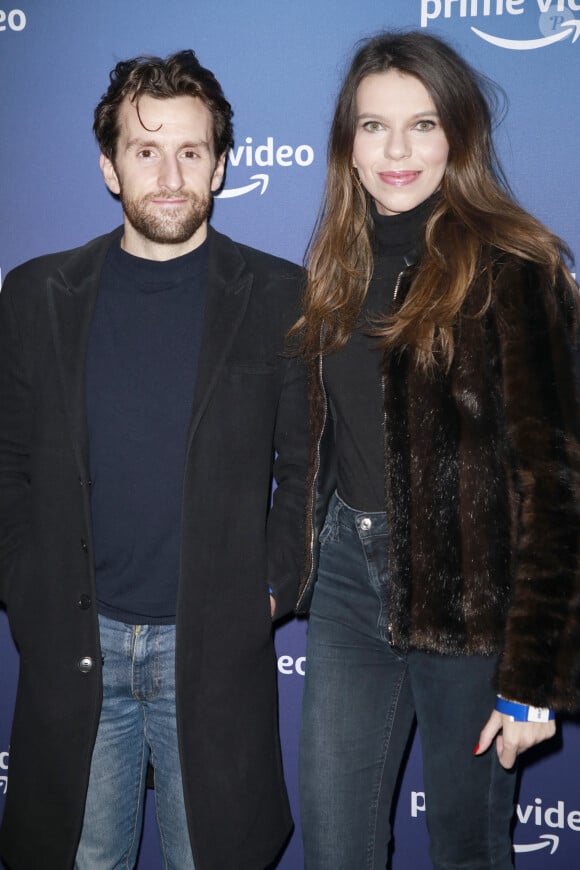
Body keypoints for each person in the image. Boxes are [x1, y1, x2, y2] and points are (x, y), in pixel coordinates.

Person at [0, 50, 307, 870]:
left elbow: (309, 466)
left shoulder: (281, 296)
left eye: (192, 151)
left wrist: (273, 588)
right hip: (76, 642)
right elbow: (10, 462)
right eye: (146, 150)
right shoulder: (35, 295)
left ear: (219, 165)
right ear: (109, 167)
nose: (170, 174)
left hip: (210, 647)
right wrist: (24, 585)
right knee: (82, 858)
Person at [294, 30, 580, 870]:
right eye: (374, 126)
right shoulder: (333, 265)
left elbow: (558, 484)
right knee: (336, 845)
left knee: (466, 848)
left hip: (469, 601)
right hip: (349, 580)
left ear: (458, 133)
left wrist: (533, 678)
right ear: (348, 142)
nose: (397, 150)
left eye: (421, 124)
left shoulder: (516, 267)